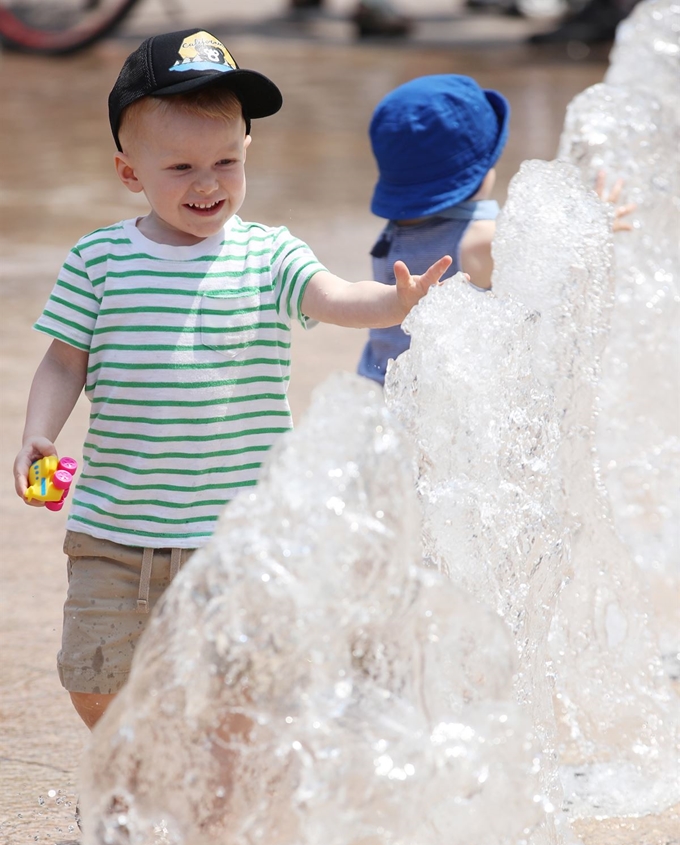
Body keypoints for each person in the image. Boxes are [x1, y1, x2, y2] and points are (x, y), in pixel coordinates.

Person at [12, 28, 451, 732]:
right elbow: (66, 359)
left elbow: (332, 297)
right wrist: (39, 432)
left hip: (241, 532)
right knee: (97, 681)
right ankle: (131, 788)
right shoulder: (98, 261)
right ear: (130, 173)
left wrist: (393, 304)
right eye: (181, 166)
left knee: (242, 695)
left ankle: (216, 815)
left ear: (247, 152)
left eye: (225, 160)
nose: (209, 183)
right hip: (115, 531)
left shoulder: (269, 254)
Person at [357, 74, 634, 385]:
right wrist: (596, 223)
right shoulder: (478, 240)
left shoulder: (394, 230)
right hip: (436, 403)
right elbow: (558, 252)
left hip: (380, 384)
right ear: (482, 172)